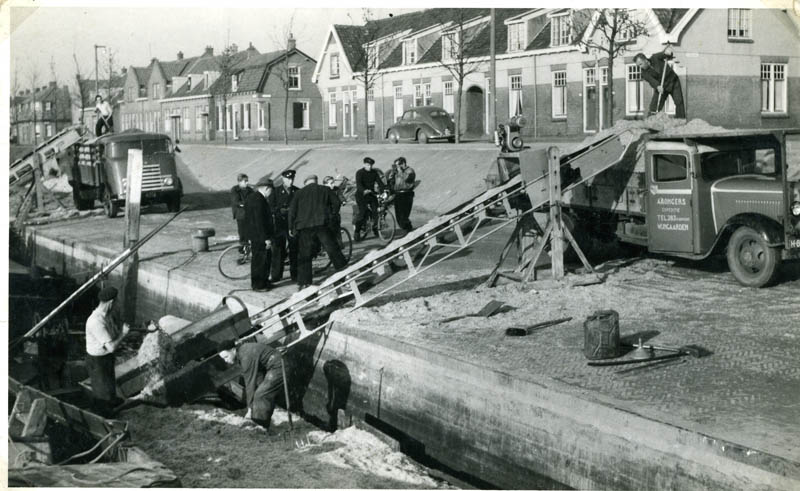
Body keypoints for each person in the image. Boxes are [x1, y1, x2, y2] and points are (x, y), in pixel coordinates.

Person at [289, 175, 348, 290]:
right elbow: (336, 203)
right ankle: (344, 275)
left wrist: (291, 227)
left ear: (306, 183)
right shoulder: (325, 189)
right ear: (316, 181)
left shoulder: (299, 193)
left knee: (305, 254)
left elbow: (292, 211)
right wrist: (332, 215)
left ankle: (304, 283)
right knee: (333, 249)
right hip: (322, 225)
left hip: (304, 227)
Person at [85, 286, 130, 416]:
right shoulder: (96, 322)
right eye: (117, 302)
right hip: (97, 361)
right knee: (101, 393)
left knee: (109, 385)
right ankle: (104, 416)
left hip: (106, 358)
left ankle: (111, 400)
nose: (118, 304)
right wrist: (124, 334)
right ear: (111, 303)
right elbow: (111, 347)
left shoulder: (105, 315)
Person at [219, 341, 283, 430]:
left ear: (233, 350)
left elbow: (250, 383)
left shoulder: (245, 356)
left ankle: (260, 426)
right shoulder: (243, 352)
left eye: (226, 356)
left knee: (261, 395)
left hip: (279, 365)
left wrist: (249, 408)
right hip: (273, 365)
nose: (226, 360)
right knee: (260, 392)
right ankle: (260, 422)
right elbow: (258, 375)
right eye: (223, 359)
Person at [634, 46, 685, 118]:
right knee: (654, 105)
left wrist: (668, 53)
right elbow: (652, 80)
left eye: (640, 64)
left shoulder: (655, 57)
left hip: (673, 81)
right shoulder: (644, 73)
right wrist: (657, 86)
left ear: (645, 60)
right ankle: (650, 121)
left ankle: (680, 120)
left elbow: (665, 54)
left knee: (679, 102)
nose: (640, 67)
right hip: (661, 86)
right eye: (638, 66)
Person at [268, 169, 299, 283]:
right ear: (283, 179)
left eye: (292, 179)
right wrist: (279, 210)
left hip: (293, 224)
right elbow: (270, 207)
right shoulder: (275, 192)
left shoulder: (297, 191)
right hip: (279, 224)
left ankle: (295, 274)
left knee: (294, 249)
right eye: (288, 179)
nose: (290, 181)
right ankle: (276, 275)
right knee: (278, 249)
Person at [245, 176, 275, 291]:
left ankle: (263, 282)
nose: (271, 193)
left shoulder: (252, 197)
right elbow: (260, 222)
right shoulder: (259, 200)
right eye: (271, 190)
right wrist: (265, 238)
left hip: (254, 235)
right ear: (267, 188)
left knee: (261, 259)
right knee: (261, 261)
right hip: (260, 237)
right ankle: (258, 285)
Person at [353, 157, 386, 241]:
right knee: (362, 212)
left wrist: (384, 190)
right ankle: (357, 231)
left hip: (371, 194)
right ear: (364, 164)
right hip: (361, 195)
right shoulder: (359, 173)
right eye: (368, 165)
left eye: (371, 165)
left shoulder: (374, 173)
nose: (369, 167)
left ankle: (376, 228)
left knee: (376, 211)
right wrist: (364, 190)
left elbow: (380, 183)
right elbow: (359, 184)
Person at [386, 157, 416, 232]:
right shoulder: (396, 172)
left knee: (404, 214)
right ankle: (406, 227)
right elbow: (391, 182)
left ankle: (408, 228)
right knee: (398, 215)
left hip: (407, 194)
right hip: (398, 194)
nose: (397, 167)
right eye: (396, 165)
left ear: (403, 163)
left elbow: (409, 180)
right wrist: (392, 174)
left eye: (398, 165)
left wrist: (400, 172)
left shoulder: (410, 171)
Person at [230, 173, 253, 263]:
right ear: (239, 182)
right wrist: (247, 204)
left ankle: (247, 250)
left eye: (247, 181)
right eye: (245, 181)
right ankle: (242, 252)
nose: (247, 183)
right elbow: (236, 202)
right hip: (241, 215)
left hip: (249, 214)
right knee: (243, 233)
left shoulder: (250, 190)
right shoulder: (235, 190)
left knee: (250, 233)